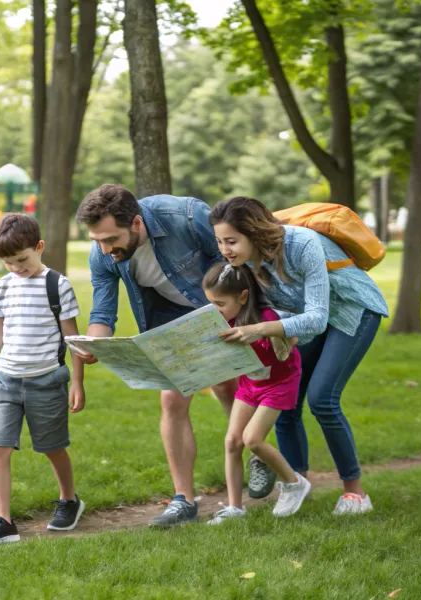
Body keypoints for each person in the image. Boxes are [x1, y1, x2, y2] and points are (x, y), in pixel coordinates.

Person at [75, 184, 253, 527]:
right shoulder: (102, 254)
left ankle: (255, 449)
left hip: (218, 310)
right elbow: (103, 309)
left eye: (111, 239)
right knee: (172, 401)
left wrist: (229, 317)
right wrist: (93, 344)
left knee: (228, 387)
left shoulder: (185, 216)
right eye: (97, 240)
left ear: (137, 224)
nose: (104, 248)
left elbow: (232, 261)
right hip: (170, 320)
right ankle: (183, 500)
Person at [210, 197, 389, 514]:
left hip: (351, 312)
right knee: (287, 402)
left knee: (323, 399)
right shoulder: (246, 262)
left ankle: (355, 495)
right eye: (220, 241)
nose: (225, 249)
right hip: (300, 324)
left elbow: (319, 317)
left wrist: (259, 330)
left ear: (253, 233)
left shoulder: (302, 243)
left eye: (231, 241)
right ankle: (296, 484)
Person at [0, 214, 87, 544]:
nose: (16, 268)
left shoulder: (57, 285)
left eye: (22, 259)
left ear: (39, 247)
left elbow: (72, 339)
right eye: (8, 263)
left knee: (52, 447)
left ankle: (69, 500)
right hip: (6, 381)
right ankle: (3, 520)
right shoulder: (2, 286)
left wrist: (78, 382)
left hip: (46, 381)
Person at [201, 262, 311, 523]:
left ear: (242, 296)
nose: (214, 310)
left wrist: (262, 338)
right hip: (249, 384)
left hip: (278, 383)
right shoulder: (223, 319)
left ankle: (295, 483)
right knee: (232, 441)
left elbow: (290, 341)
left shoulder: (267, 319)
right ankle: (234, 509)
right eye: (210, 303)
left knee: (252, 439)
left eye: (219, 303)